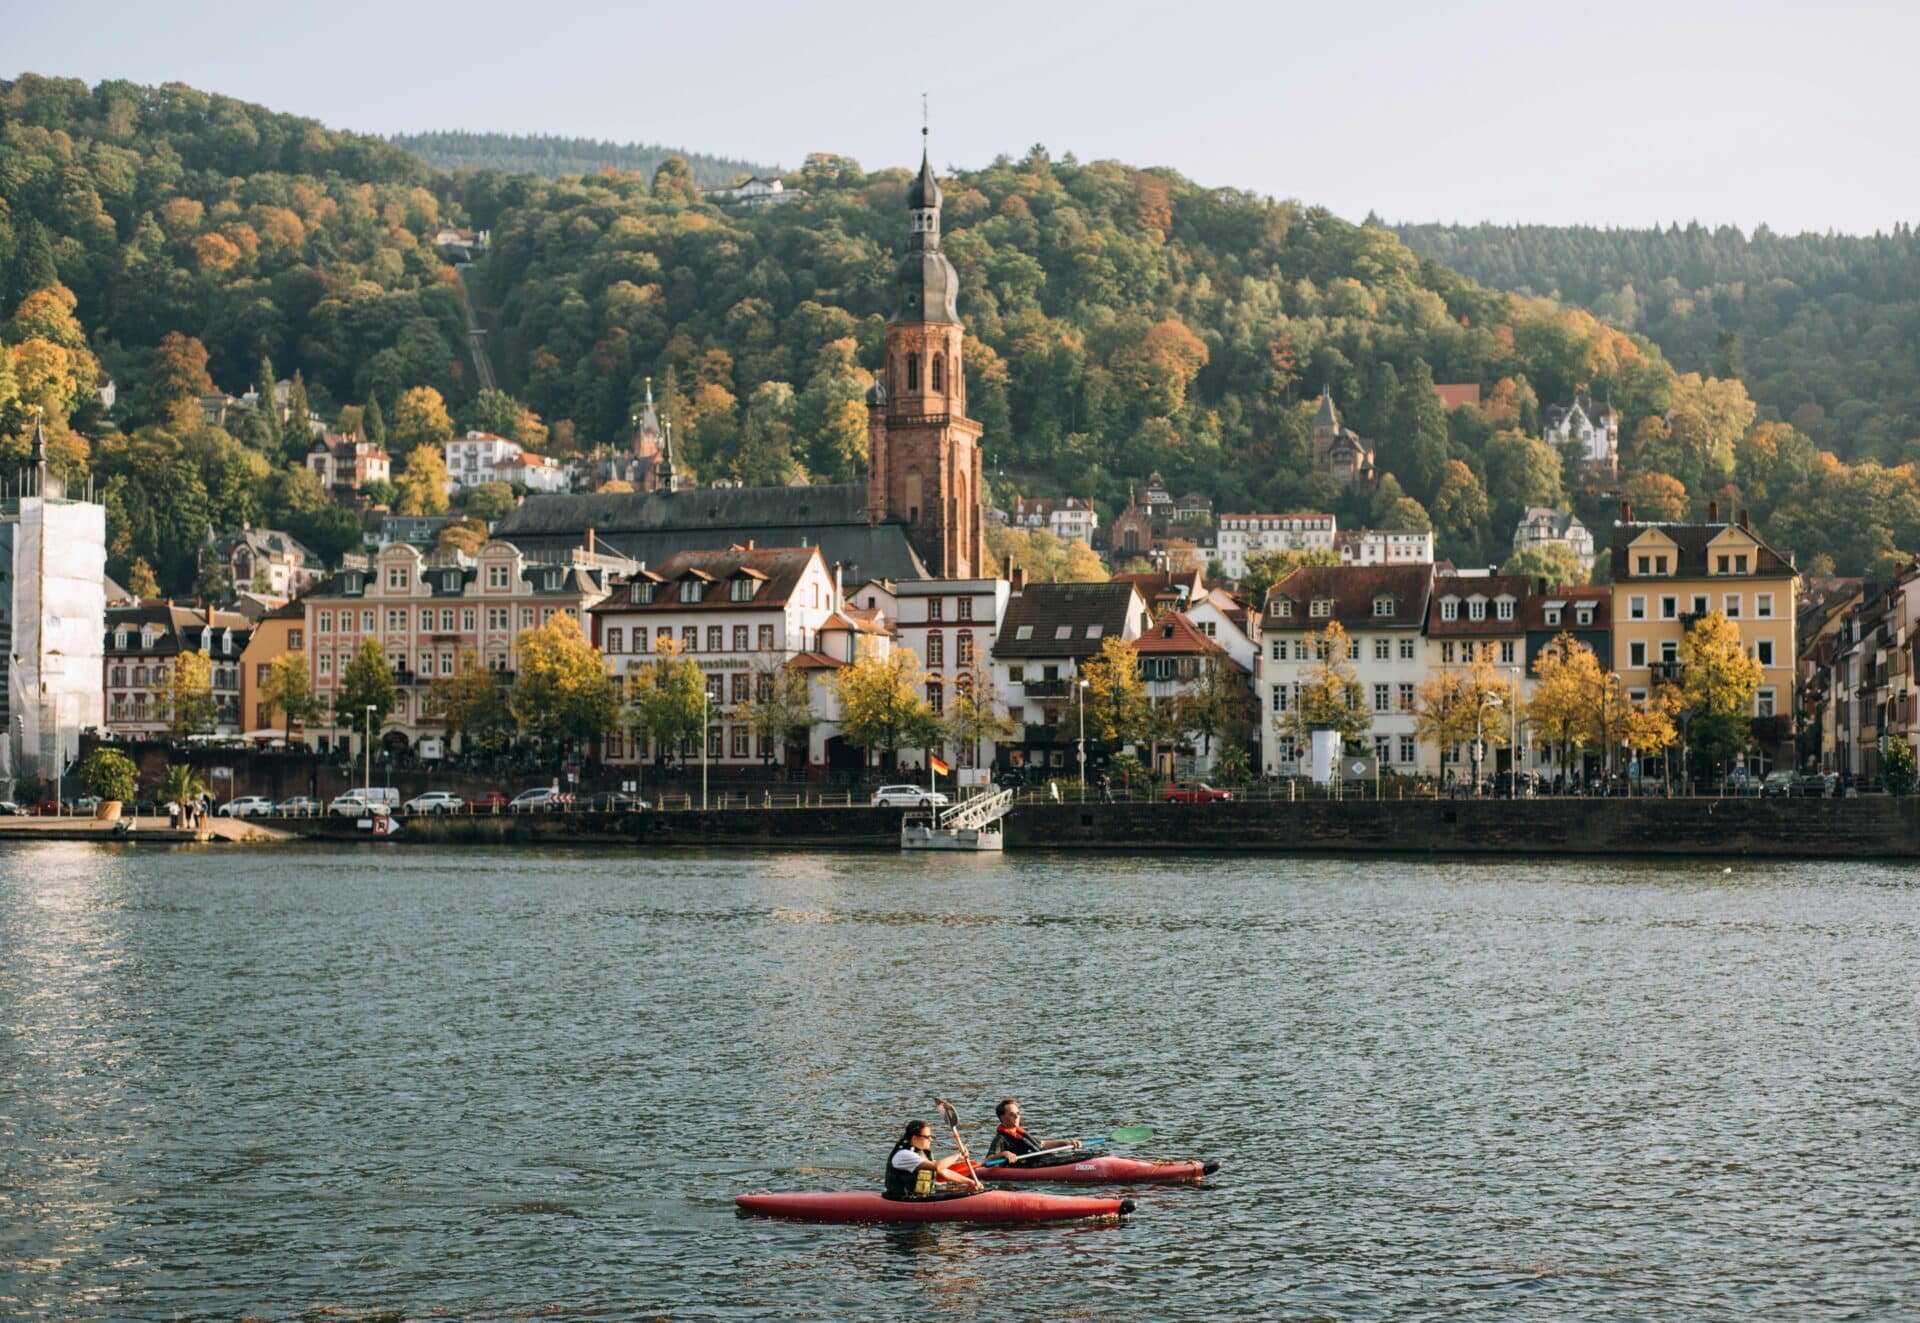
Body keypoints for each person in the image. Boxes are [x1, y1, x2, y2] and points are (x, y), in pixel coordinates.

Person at [885, 1119, 982, 1199]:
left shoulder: (920, 1154)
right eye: (927, 1137)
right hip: (901, 1200)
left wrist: (970, 1182)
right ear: (915, 1138)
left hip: (919, 1198)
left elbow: (944, 1172)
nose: (931, 1140)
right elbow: (937, 1167)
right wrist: (958, 1155)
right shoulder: (904, 1155)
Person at [985, 1099, 1081, 1164]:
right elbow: (987, 1160)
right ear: (1002, 1117)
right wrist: (1004, 1154)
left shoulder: (1019, 1132)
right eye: (1012, 1114)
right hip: (1024, 1167)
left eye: (1018, 1113)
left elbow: (1042, 1144)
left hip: (1040, 1160)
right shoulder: (1000, 1138)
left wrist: (1067, 1143)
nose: (1017, 1117)